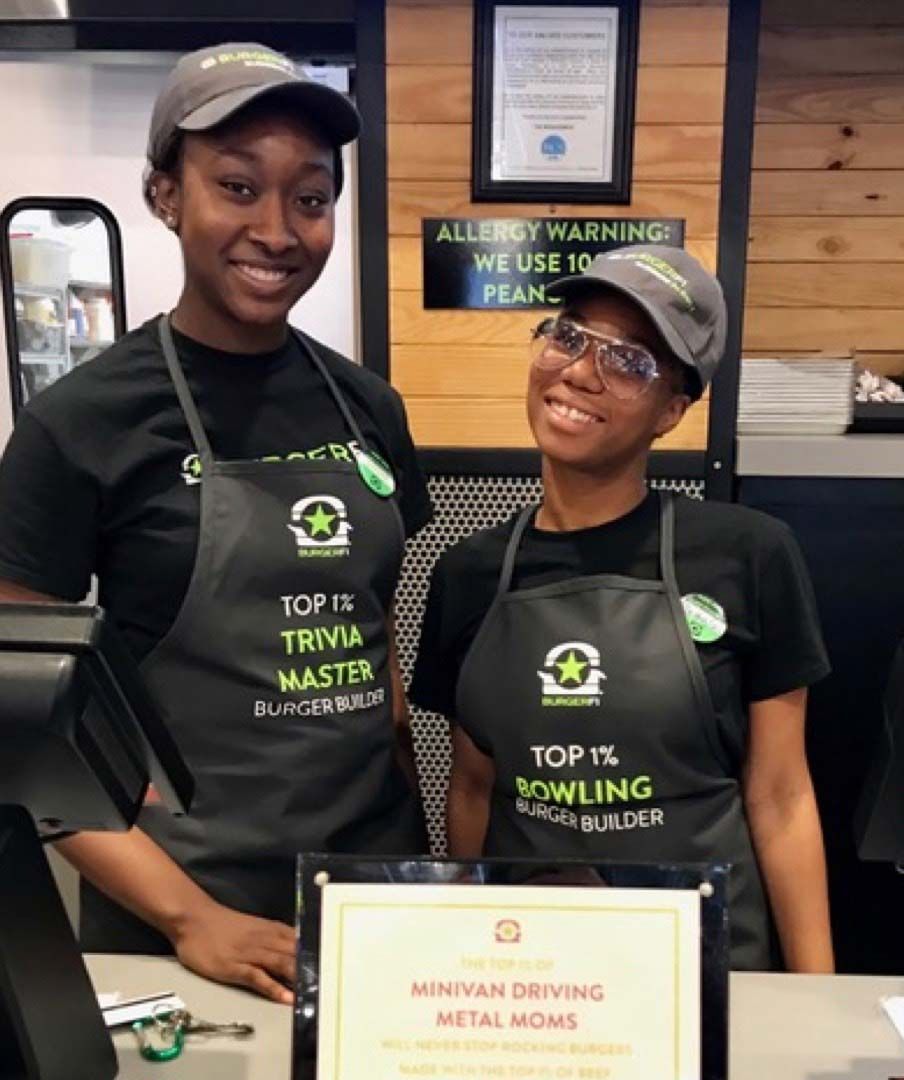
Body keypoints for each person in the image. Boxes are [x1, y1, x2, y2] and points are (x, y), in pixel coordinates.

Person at [0, 42, 431, 1002]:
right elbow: (21, 721)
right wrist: (193, 919)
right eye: (238, 187)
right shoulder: (84, 422)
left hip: (373, 882)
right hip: (184, 907)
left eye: (310, 199)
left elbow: (375, 634)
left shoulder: (368, 406)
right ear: (165, 195)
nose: (277, 230)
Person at [410, 244, 834, 972]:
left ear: (673, 409)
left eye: (631, 361)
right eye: (569, 335)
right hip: (535, 970)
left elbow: (782, 796)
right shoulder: (468, 573)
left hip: (703, 963)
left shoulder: (749, 554)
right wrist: (468, 953)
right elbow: (473, 788)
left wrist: (816, 996)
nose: (579, 371)